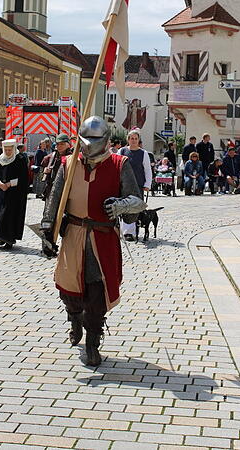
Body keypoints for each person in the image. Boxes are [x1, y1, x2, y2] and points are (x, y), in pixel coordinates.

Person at [41, 116, 146, 367]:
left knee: (97, 292)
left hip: (102, 237)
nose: (90, 145)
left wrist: (121, 205)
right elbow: (54, 200)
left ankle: (92, 342)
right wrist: (47, 229)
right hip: (74, 235)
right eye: (86, 140)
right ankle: (74, 318)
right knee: (69, 289)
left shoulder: (120, 164)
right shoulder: (68, 164)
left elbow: (137, 202)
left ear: (107, 140)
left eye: (96, 140)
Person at [0, 139, 30, 249]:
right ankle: (0, 237)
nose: (8, 152)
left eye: (10, 150)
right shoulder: (0, 159)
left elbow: (24, 178)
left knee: (7, 216)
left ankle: (9, 239)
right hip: (0, 192)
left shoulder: (19, 159)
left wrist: (9, 184)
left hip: (13, 194)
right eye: (5, 149)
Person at [117, 129, 152, 242]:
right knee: (123, 207)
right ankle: (123, 230)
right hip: (123, 184)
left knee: (134, 208)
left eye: (136, 139)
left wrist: (147, 184)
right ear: (128, 140)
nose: (134, 140)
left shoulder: (143, 153)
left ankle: (129, 232)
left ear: (138, 140)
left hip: (138, 184)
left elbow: (147, 170)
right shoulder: (121, 151)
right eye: (132, 138)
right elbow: (115, 166)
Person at [39, 133, 72, 201]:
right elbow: (41, 175)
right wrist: (45, 171)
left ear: (68, 145)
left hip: (67, 190)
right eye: (58, 144)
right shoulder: (50, 157)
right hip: (52, 190)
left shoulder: (73, 158)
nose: (59, 146)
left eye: (62, 144)